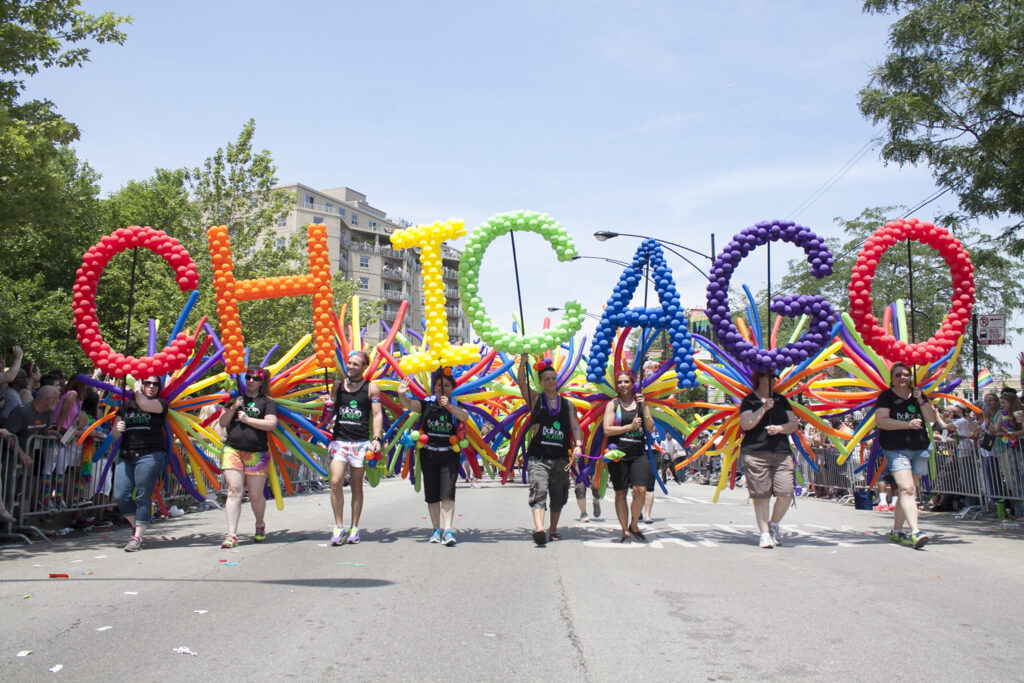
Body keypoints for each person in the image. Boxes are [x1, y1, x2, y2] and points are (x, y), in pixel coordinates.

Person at [397, 368, 469, 546]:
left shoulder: (456, 404)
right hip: (428, 454)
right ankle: (436, 529)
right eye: (439, 385)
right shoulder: (427, 403)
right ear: (433, 387)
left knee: (448, 493)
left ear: (451, 388)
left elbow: (465, 417)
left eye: (446, 385)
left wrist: (449, 406)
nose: (442, 388)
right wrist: (401, 394)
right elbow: (409, 404)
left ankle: (448, 530)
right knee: (432, 494)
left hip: (449, 455)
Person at [517, 355, 583, 546]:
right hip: (539, 457)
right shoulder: (536, 399)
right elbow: (522, 384)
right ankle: (539, 528)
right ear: (540, 382)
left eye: (553, 378)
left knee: (558, 495)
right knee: (539, 491)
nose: (551, 382)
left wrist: (578, 445)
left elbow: (575, 426)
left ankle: (552, 529)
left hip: (562, 458)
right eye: (546, 379)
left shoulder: (567, 404)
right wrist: (523, 363)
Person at [875, 363, 938, 549]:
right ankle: (916, 531)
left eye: (906, 374)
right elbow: (881, 421)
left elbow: (931, 418)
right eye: (898, 375)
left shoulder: (918, 394)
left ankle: (896, 531)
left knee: (907, 491)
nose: (903, 377)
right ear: (892, 378)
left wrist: (921, 401)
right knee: (907, 489)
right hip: (896, 449)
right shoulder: (886, 396)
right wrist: (906, 425)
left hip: (919, 448)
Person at [217, 366, 278, 548]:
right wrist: (233, 407)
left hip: (257, 453)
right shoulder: (234, 398)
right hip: (233, 450)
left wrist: (247, 419)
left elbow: (271, 424)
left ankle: (260, 523)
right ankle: (231, 534)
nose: (251, 381)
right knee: (234, 490)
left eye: (255, 378)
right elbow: (222, 422)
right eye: (249, 378)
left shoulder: (266, 402)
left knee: (255, 495)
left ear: (261, 382)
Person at [327, 350, 382, 546]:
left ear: (363, 367)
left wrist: (376, 437)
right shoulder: (337, 386)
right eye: (349, 363)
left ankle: (354, 527)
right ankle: (338, 526)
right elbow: (330, 410)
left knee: (357, 486)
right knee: (335, 482)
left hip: (360, 443)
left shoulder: (371, 388)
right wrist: (327, 405)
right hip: (340, 441)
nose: (350, 367)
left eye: (355, 364)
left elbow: (376, 415)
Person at [738, 370, 799, 548]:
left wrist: (780, 429)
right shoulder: (749, 400)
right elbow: (746, 423)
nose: (773, 380)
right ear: (760, 378)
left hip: (781, 452)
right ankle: (764, 533)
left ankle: (773, 523)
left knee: (786, 493)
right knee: (762, 495)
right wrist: (764, 408)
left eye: (774, 377)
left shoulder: (782, 400)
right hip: (756, 453)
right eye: (769, 376)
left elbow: (793, 423)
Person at [107, 376, 168, 551]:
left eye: (155, 384)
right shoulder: (125, 406)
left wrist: (136, 390)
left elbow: (144, 405)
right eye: (147, 383)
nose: (151, 386)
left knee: (143, 495)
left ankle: (137, 538)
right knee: (120, 494)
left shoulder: (160, 403)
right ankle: (137, 525)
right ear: (141, 383)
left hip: (150, 454)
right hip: (126, 454)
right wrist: (117, 430)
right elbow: (115, 434)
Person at [602, 370, 655, 543]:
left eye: (626, 382)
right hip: (619, 453)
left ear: (633, 384)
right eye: (620, 382)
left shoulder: (641, 403)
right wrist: (629, 427)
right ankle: (625, 529)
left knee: (640, 489)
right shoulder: (613, 404)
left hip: (638, 453)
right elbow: (607, 429)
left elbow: (649, 427)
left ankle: (634, 523)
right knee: (621, 492)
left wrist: (645, 408)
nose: (623, 385)